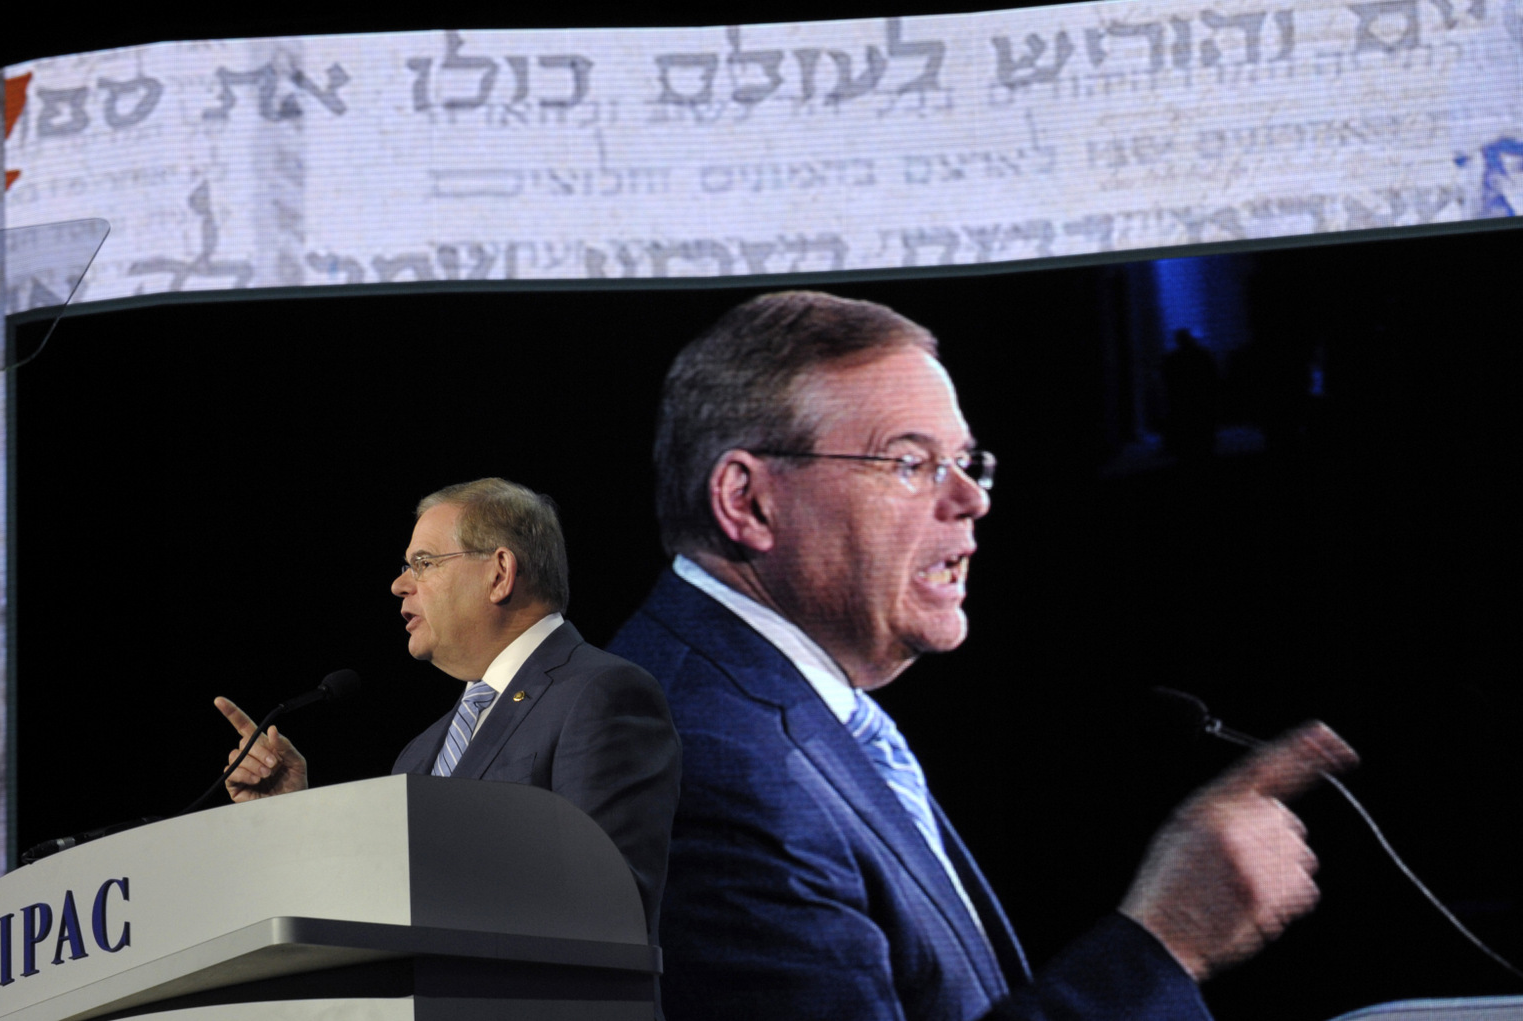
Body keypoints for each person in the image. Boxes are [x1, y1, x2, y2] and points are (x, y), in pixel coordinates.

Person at [607, 291, 1357, 1019]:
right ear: (748, 501)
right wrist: (1166, 941)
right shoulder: (708, 766)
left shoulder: (774, 710)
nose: (971, 498)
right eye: (910, 462)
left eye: (968, 462)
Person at [216, 478, 682, 937]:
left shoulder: (602, 693)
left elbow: (611, 904)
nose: (400, 584)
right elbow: (381, 903)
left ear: (499, 573)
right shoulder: (419, 753)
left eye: (423, 562)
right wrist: (294, 817)